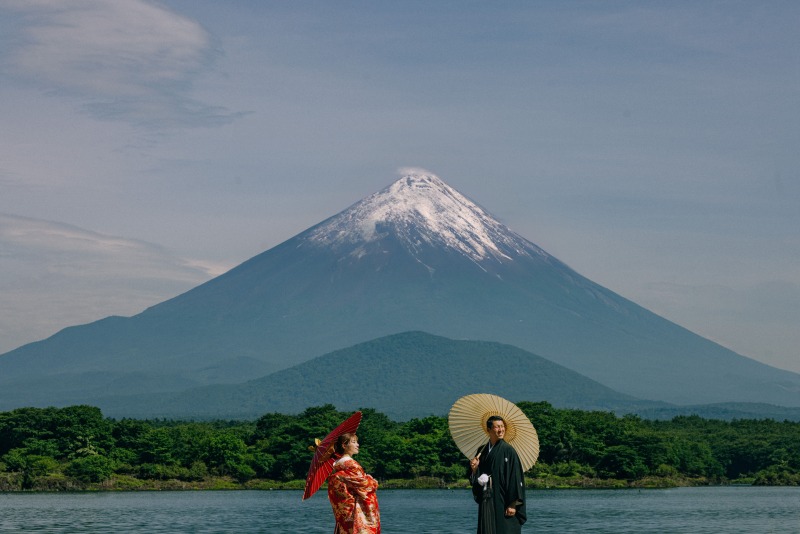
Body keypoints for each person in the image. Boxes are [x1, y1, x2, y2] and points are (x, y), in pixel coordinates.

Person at [469, 415, 527, 533]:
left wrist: (512, 504)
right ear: (488, 430)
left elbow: (515, 477)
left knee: (503, 528)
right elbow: (476, 479)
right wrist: (474, 469)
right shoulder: (482, 450)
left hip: (503, 498)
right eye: (497, 427)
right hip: (487, 496)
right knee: (487, 527)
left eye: (502, 426)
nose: (501, 430)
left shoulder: (508, 450)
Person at [327, 432, 381, 534]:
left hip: (345, 511)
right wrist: (373, 481)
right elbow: (364, 485)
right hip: (356, 512)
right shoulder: (351, 464)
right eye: (354, 442)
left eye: (357, 442)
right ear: (344, 445)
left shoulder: (337, 466)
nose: (357, 445)